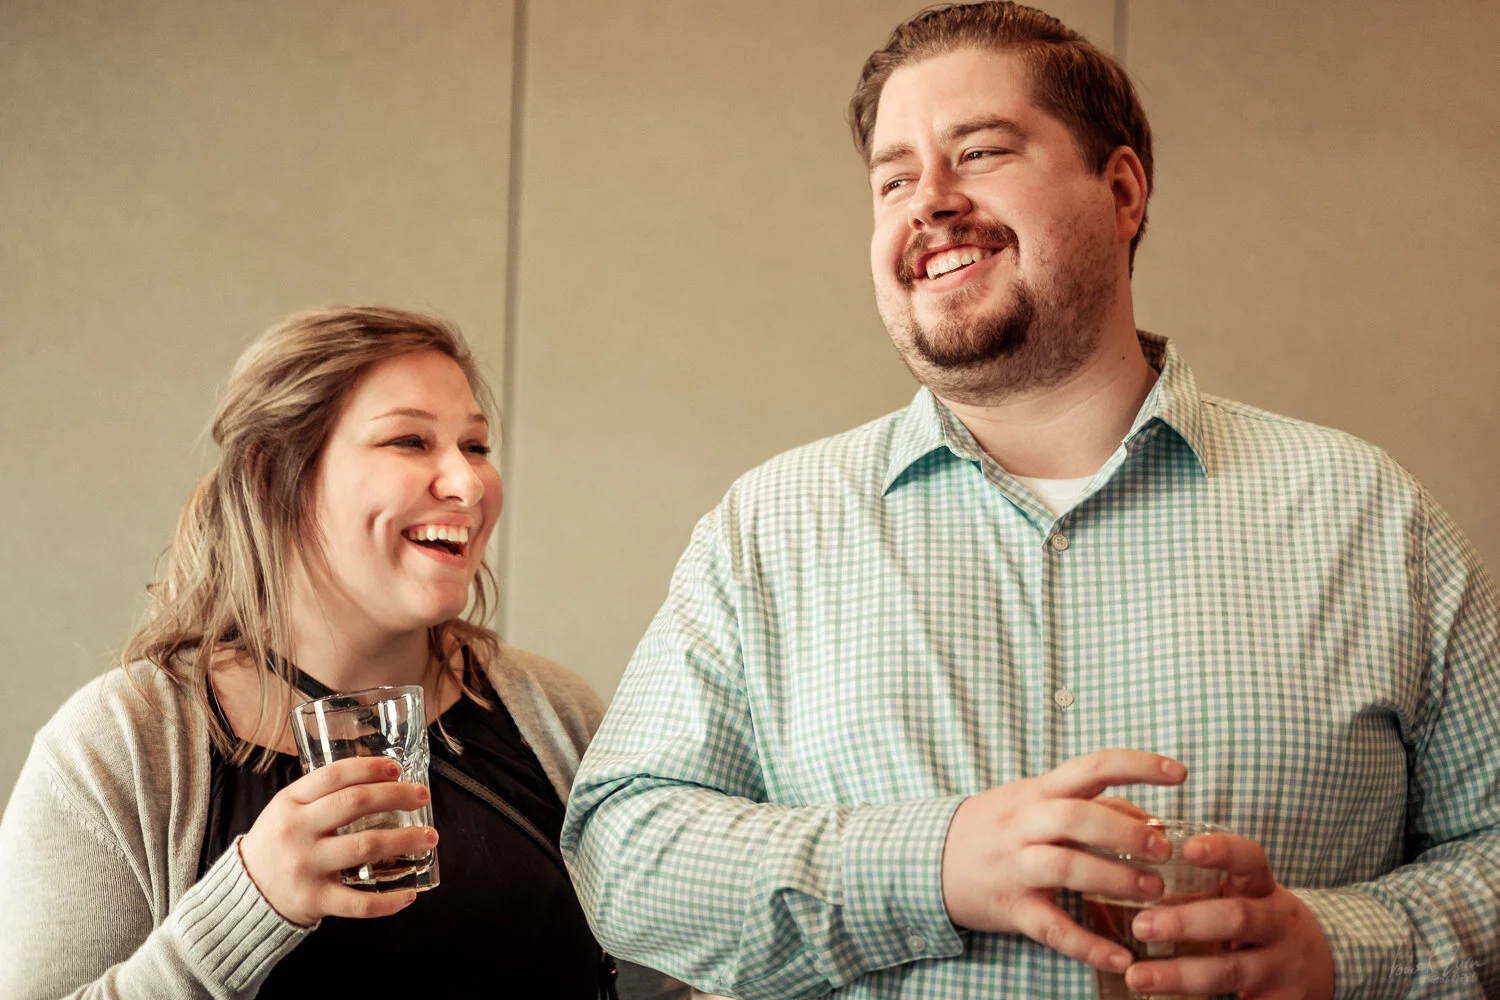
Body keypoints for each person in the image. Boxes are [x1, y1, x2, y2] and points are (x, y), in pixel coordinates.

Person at [561, 4, 1500, 998]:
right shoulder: (768, 530)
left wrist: (1343, 950)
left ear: (1121, 189)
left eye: (979, 152)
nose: (929, 201)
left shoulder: (1372, 518)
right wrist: (933, 863)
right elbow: (623, 853)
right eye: (892, 179)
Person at [0, 306, 684, 999]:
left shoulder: (554, 714)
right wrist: (251, 903)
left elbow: (662, 985)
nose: (469, 483)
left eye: (476, 446)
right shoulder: (118, 747)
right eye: (410, 440)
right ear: (275, 475)